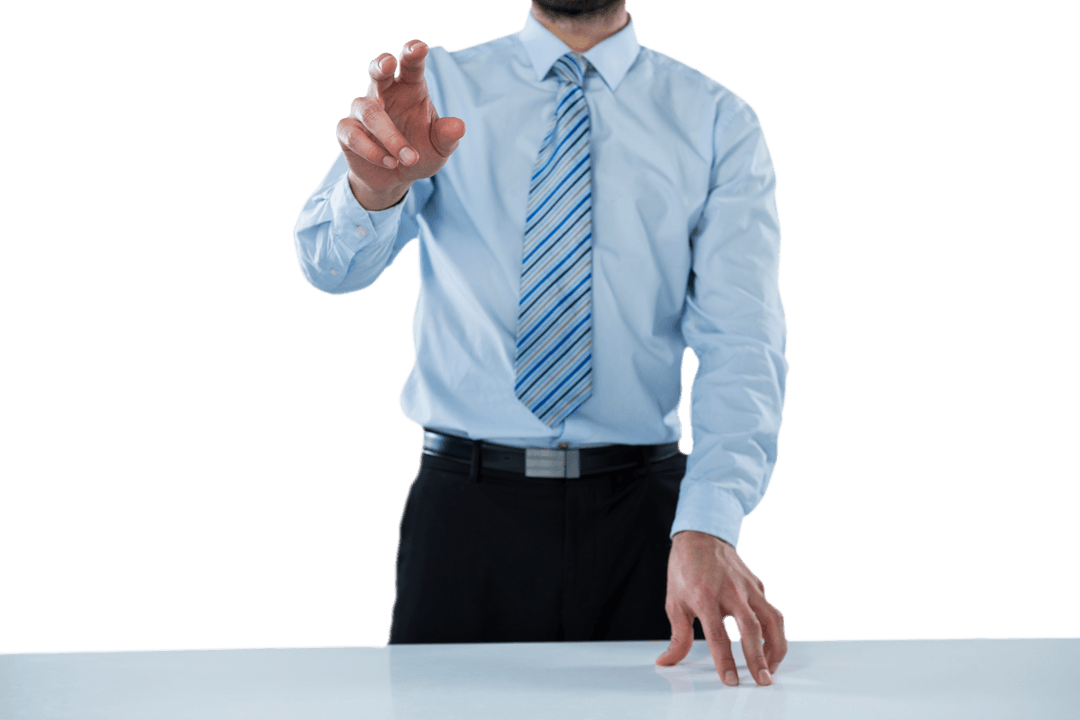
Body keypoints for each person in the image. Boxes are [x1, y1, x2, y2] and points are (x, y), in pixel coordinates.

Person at [293, 0, 789, 687]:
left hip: (645, 524)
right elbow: (328, 263)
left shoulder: (716, 120)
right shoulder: (433, 90)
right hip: (464, 520)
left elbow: (744, 342)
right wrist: (375, 190)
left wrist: (710, 521)